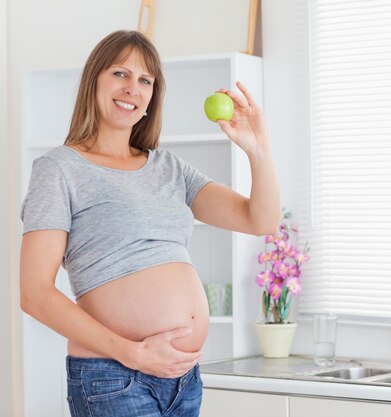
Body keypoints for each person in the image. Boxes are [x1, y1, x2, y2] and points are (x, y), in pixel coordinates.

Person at [19, 30, 280, 416]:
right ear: (94, 80)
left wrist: (257, 148)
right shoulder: (59, 169)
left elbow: (260, 220)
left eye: (145, 81)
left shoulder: (169, 168)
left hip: (182, 379)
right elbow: (34, 294)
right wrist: (133, 353)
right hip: (114, 375)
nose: (132, 89)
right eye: (120, 74)